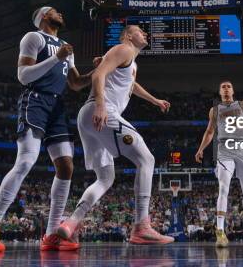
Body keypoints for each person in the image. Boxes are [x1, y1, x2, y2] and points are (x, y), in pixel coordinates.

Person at [0, 6, 93, 253]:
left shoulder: (65, 45)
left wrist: (99, 71)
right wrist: (56, 58)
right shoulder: (34, 38)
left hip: (57, 105)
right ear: (43, 17)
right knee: (26, 161)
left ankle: (51, 233)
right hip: (36, 100)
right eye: (54, 11)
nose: (60, 13)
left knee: (66, 166)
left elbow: (75, 84)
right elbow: (23, 76)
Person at [56, 25, 174, 247]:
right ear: (129, 36)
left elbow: (131, 84)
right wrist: (101, 104)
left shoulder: (129, 61)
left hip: (88, 118)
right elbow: (99, 74)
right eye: (140, 31)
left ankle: (70, 224)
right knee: (146, 160)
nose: (145, 34)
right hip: (101, 111)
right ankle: (142, 226)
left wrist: (154, 100)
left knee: (105, 178)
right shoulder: (124, 49)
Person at [195, 81, 243, 247]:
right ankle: (220, 231)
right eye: (223, 87)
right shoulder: (215, 110)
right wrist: (200, 149)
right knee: (223, 188)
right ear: (220, 92)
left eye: (229, 86)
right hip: (224, 148)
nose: (226, 89)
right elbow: (210, 131)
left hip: (242, 147)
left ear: (233, 90)